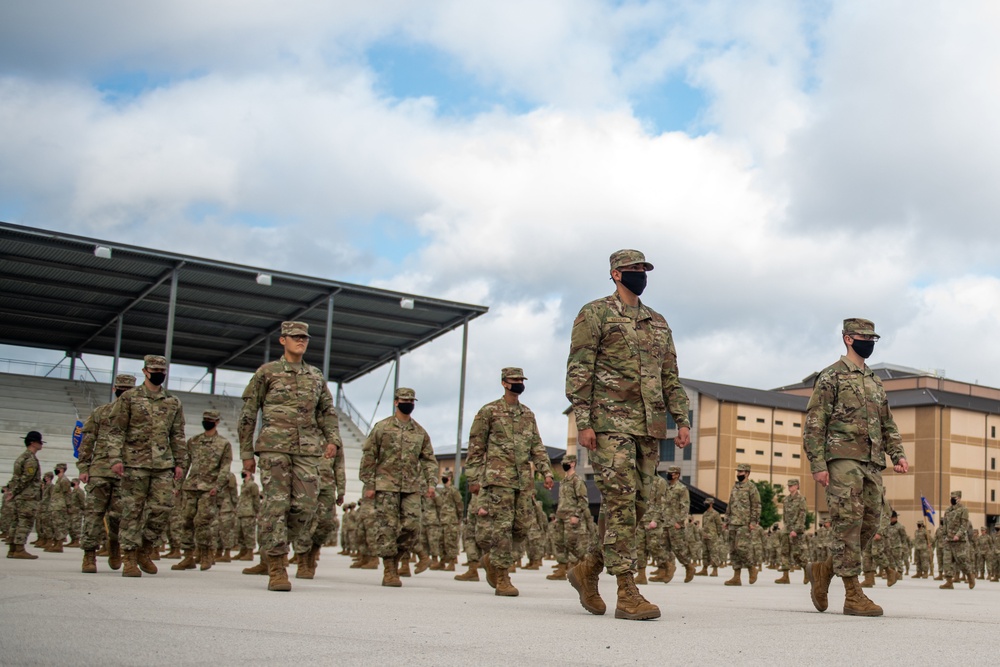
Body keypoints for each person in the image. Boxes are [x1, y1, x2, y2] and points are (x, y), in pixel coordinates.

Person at [565, 249, 691, 621]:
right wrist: (583, 421)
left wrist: (681, 419)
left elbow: (670, 376)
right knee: (620, 500)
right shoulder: (595, 313)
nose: (640, 274)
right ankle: (626, 589)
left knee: (637, 504)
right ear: (616, 274)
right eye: (634, 270)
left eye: (644, 269)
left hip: (649, 427)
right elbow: (579, 369)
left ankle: (588, 568)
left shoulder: (658, 322)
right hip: (609, 423)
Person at [805, 318, 909, 617]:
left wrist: (897, 453)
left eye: (873, 339)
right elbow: (815, 422)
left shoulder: (875, 381)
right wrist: (818, 463)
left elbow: (887, 422)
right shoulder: (831, 376)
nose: (870, 343)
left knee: (869, 525)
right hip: (842, 459)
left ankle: (824, 570)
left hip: (873, 461)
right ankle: (853, 595)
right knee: (847, 524)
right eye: (864, 338)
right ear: (848, 339)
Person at [239, 321, 343, 592]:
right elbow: (249, 413)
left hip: (307, 450)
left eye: (305, 337)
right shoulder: (267, 372)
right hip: (274, 448)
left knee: (306, 507)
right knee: (276, 506)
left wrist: (332, 439)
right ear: (282, 340)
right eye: (295, 337)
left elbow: (327, 412)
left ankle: (276, 547)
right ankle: (276, 567)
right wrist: (246, 452)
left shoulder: (315, 376)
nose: (301, 341)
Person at [467, 368, 555, 597]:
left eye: (521, 380)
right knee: (502, 528)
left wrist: (546, 472)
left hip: (523, 481)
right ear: (504, 383)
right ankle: (503, 576)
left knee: (522, 527)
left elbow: (537, 445)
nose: (519, 384)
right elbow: (476, 447)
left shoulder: (527, 414)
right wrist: (474, 479)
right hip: (498, 480)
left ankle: (492, 561)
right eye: (515, 380)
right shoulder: (488, 412)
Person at [107, 355, 187, 578]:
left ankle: (145, 549)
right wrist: (115, 459)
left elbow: (177, 434)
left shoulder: (172, 401)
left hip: (163, 464)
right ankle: (130, 558)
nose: (159, 373)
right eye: (154, 369)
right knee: (132, 511)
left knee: (163, 509)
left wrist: (180, 462)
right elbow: (116, 431)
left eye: (162, 370)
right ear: (145, 371)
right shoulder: (130, 398)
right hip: (134, 464)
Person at [359, 387, 438, 587]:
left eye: (411, 401)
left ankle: (401, 556)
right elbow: (369, 455)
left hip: (411, 487)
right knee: (387, 527)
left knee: (412, 526)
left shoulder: (419, 432)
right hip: (386, 486)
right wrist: (369, 483)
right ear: (396, 402)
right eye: (404, 400)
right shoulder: (382, 427)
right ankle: (390, 569)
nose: (408, 403)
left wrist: (431, 483)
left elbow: (429, 460)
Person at [171, 411, 232, 572]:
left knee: (203, 522)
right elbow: (185, 465)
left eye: (210, 420)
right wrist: (177, 486)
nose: (207, 422)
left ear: (217, 422)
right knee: (186, 521)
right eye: (205, 420)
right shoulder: (194, 441)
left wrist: (217, 487)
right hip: (191, 487)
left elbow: (225, 468)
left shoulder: (223, 444)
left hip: (208, 489)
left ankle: (206, 554)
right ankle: (188, 556)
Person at [548, 454, 588, 581]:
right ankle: (561, 568)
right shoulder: (563, 481)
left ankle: (582, 565)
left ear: (573, 464)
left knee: (572, 543)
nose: (564, 465)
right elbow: (562, 500)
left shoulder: (577, 480)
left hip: (571, 517)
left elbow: (583, 500)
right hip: (561, 516)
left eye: (567, 462)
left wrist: (576, 515)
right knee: (559, 542)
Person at [4, 431, 44, 559]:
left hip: (20, 496)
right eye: (39, 442)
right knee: (24, 522)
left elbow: (15, 478)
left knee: (15, 522)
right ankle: (19, 549)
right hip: (28, 496)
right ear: (33, 443)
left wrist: (12, 492)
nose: (41, 444)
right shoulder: (30, 459)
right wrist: (14, 492)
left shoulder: (21, 457)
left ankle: (12, 548)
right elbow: (26, 478)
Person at [724, 463, 761, 585]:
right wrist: (726, 520)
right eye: (738, 472)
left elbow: (756, 506)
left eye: (741, 472)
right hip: (733, 522)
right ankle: (736, 577)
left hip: (744, 523)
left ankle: (752, 568)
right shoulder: (735, 487)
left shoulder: (751, 487)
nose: (738, 474)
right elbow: (730, 504)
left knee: (742, 547)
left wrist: (753, 521)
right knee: (733, 549)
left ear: (747, 473)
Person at [939, 490, 975, 590]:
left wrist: (958, 535)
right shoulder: (947, 510)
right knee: (947, 561)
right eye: (951, 497)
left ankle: (970, 576)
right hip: (948, 540)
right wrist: (944, 536)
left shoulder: (964, 509)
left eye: (954, 498)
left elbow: (964, 525)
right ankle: (949, 582)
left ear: (959, 498)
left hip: (959, 541)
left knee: (962, 561)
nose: (952, 499)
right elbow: (945, 524)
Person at [775, 479, 808, 584]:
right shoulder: (786, 500)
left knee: (797, 554)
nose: (790, 487)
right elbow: (784, 515)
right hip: (787, 529)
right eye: (789, 486)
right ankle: (785, 576)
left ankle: (807, 572)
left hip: (796, 530)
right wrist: (785, 527)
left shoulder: (801, 499)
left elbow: (802, 516)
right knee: (784, 552)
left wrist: (796, 529)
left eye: (792, 485)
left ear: (797, 486)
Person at [235, 471, 260, 561]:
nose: (242, 473)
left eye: (244, 472)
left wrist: (257, 511)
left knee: (249, 533)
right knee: (240, 533)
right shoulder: (243, 485)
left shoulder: (252, 485)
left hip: (249, 512)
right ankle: (243, 551)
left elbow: (256, 498)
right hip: (241, 512)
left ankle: (250, 552)